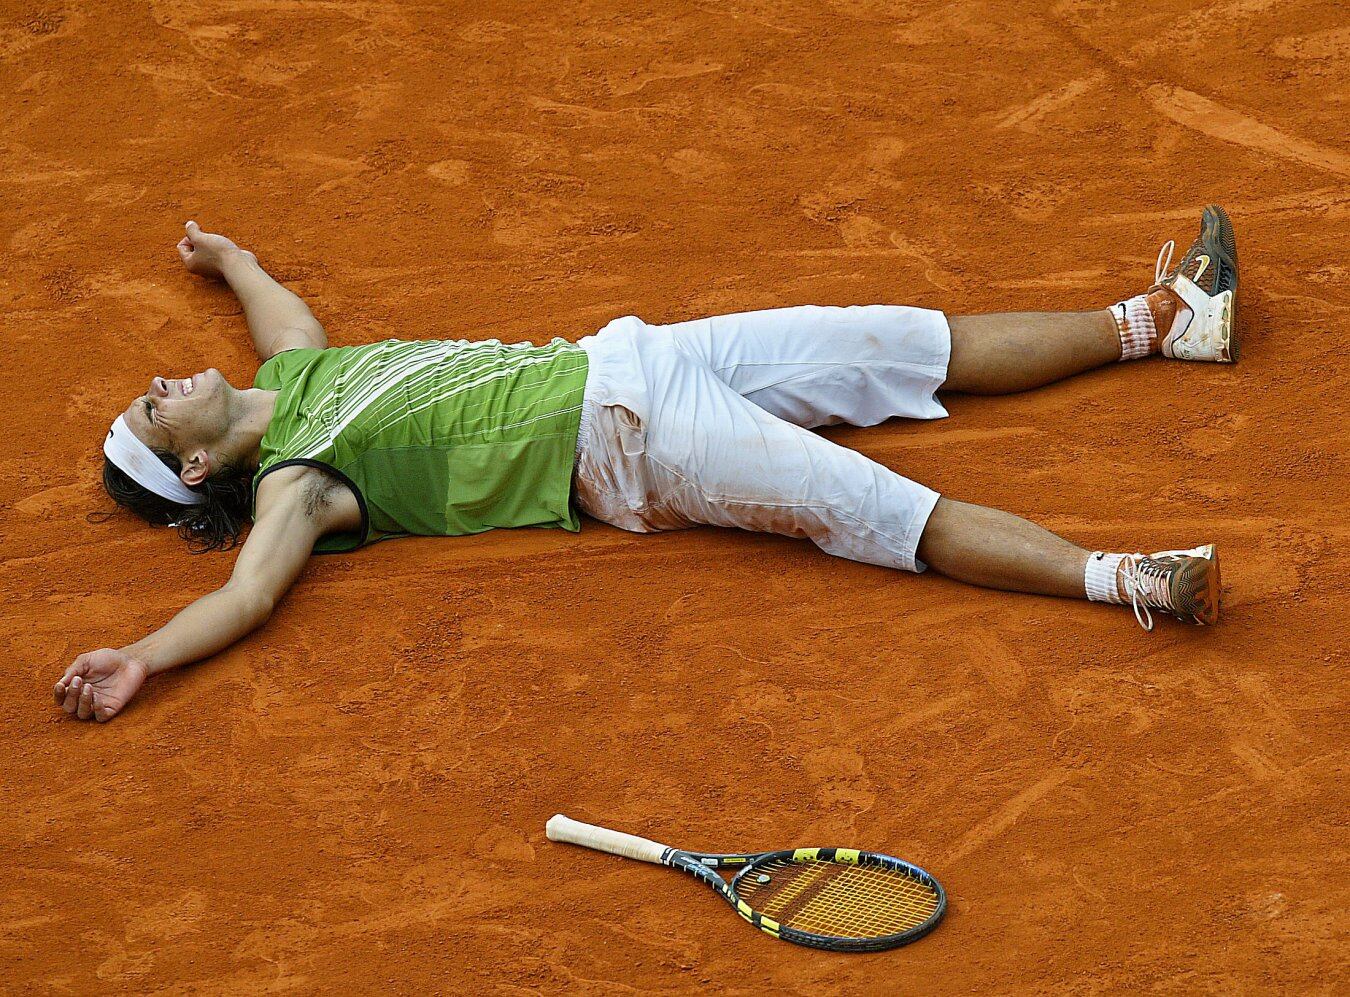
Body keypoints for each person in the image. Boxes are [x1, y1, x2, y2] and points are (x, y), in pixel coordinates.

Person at [55, 208, 1239, 722]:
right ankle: (1127, 580)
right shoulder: (295, 484)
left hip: (636, 355)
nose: (165, 385)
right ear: (201, 467)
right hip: (634, 450)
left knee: (901, 339)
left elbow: (279, 308)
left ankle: (1167, 321)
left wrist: (228, 255)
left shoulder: (300, 373)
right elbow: (248, 595)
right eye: (157, 417)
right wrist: (143, 658)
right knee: (884, 513)